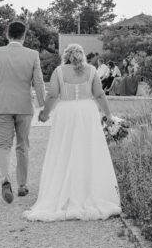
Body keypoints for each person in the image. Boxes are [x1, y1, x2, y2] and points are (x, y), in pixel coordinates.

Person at [24, 44, 121, 221]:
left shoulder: (59, 71)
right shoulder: (92, 70)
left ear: (66, 56)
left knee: (64, 150)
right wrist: (108, 115)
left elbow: (53, 95)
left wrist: (45, 114)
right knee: (88, 151)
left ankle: (65, 193)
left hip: (65, 113)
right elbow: (99, 95)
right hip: (87, 112)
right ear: (81, 55)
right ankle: (87, 192)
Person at [0, 20, 46, 204]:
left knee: (3, 145)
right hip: (24, 107)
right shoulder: (33, 55)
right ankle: (22, 184)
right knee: (23, 145)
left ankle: (5, 180)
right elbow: (38, 82)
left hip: (2, 106)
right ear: (24, 36)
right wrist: (44, 106)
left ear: (7, 34)